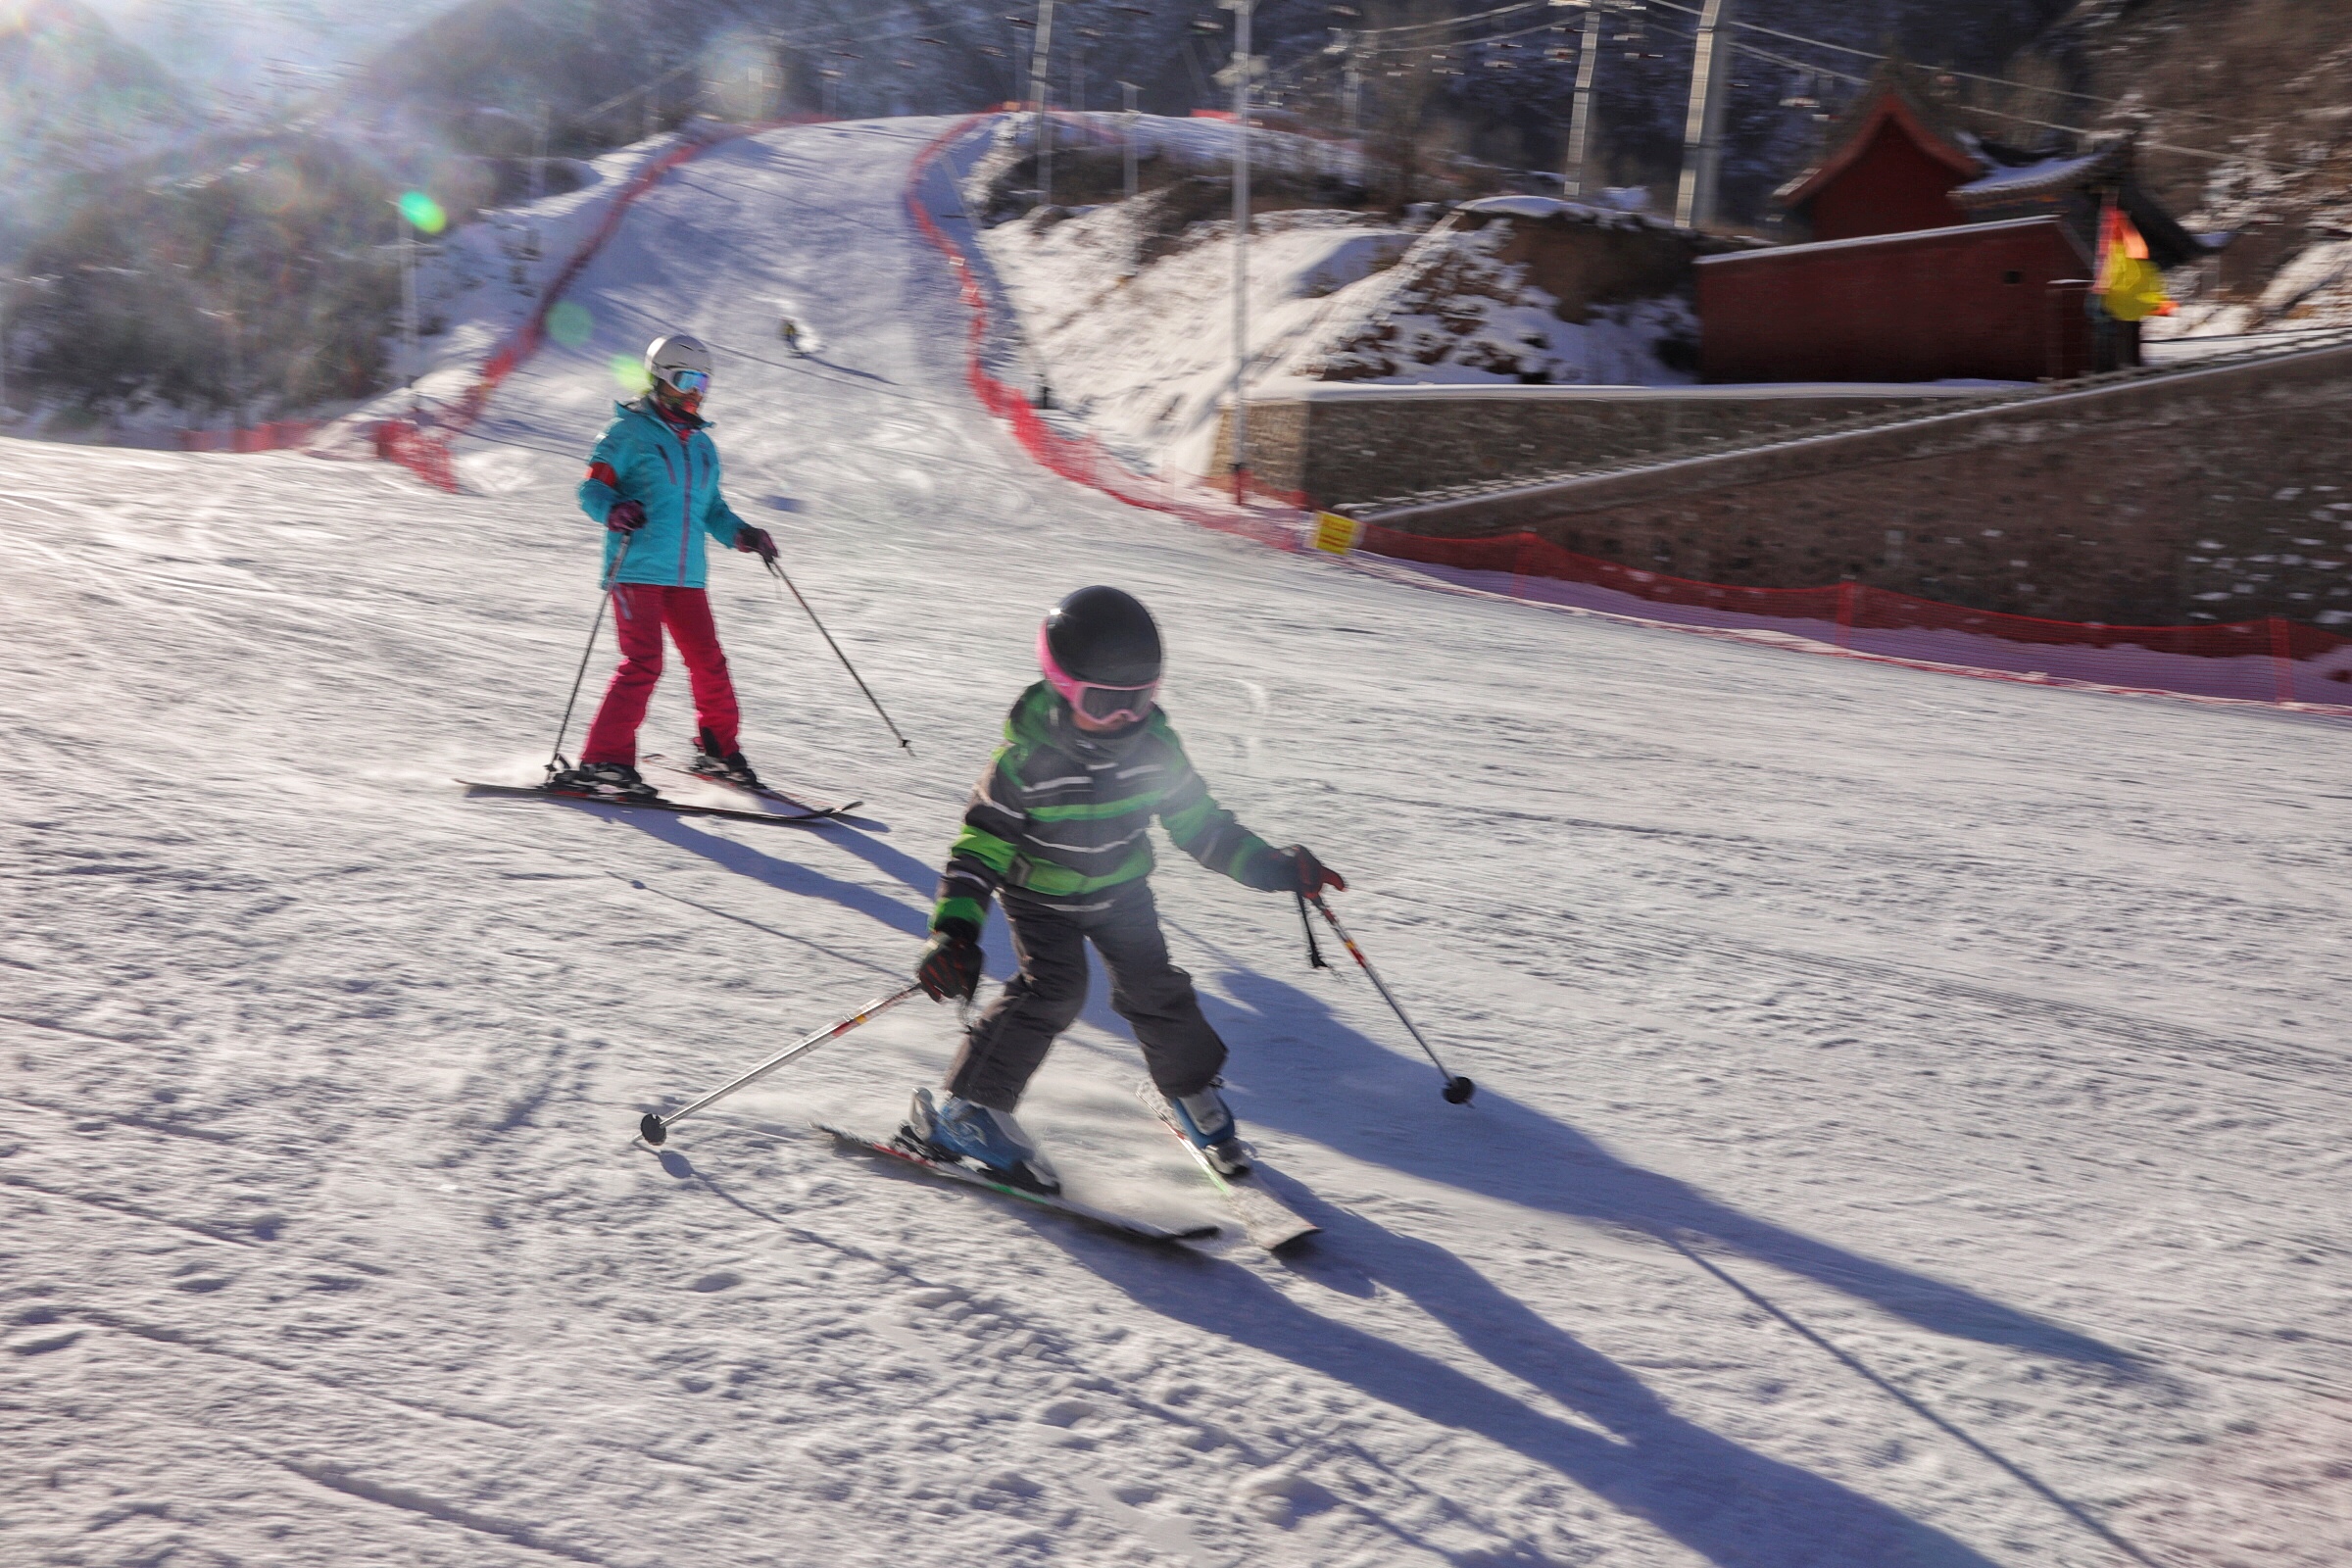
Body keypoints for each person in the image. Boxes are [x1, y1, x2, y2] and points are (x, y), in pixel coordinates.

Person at [906, 586, 1344, 1194]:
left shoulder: (1154, 749)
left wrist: (1269, 864)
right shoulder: (1022, 763)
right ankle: (967, 1111)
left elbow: (1201, 825)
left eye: (1139, 699)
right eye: (1103, 701)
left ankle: (1189, 1090)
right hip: (1040, 898)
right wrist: (953, 931)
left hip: (1121, 892)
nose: (1124, 717)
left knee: (1156, 989)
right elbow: (978, 850)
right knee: (1053, 991)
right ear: (1062, 688)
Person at [553, 334, 778, 801]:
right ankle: (604, 760)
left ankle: (717, 751)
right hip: (636, 567)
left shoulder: (701, 446)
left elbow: (711, 508)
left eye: (704, 382)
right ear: (660, 379)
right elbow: (590, 489)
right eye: (686, 380)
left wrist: (743, 533)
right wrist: (613, 510)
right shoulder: (627, 434)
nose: (696, 392)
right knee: (644, 662)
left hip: (686, 575)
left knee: (709, 662)